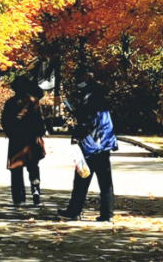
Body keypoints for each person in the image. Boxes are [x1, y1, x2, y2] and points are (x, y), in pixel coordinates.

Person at [58, 69, 118, 222]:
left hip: (93, 142)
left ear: (86, 76)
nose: (76, 80)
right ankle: (107, 214)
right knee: (105, 180)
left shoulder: (88, 95)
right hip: (104, 141)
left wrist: (77, 135)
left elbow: (88, 120)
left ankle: (74, 211)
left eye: (78, 76)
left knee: (82, 178)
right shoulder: (99, 93)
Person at [1, 75, 47, 207]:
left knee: (16, 169)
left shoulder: (10, 103)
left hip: (16, 140)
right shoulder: (34, 102)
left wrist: (10, 133)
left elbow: (4, 122)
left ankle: (18, 197)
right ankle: (35, 192)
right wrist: (40, 134)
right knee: (33, 168)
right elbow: (40, 122)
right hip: (31, 140)